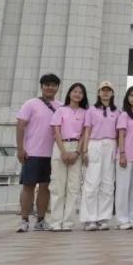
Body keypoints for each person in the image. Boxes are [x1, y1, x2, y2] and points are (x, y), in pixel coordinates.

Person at [16, 72, 61, 233]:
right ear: (41, 86)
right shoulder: (31, 104)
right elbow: (20, 126)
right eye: (47, 84)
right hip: (32, 153)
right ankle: (24, 220)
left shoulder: (61, 106)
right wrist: (20, 148)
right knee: (28, 186)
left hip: (52, 154)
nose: (50, 87)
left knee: (45, 187)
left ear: (57, 88)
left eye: (53, 85)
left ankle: (41, 220)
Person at [47, 82, 88, 231]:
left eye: (80, 92)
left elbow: (85, 133)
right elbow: (56, 132)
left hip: (77, 147)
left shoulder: (85, 112)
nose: (77, 94)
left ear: (83, 96)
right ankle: (55, 222)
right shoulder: (60, 110)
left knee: (73, 187)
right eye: (74, 91)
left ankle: (68, 222)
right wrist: (63, 151)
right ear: (69, 93)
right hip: (61, 146)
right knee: (58, 186)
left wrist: (78, 152)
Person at [80, 81, 119, 231]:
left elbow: (119, 133)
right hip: (94, 144)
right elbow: (87, 130)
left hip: (111, 145)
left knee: (107, 184)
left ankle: (103, 218)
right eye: (103, 90)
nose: (106, 93)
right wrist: (84, 150)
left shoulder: (117, 112)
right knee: (91, 182)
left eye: (108, 90)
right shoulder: (91, 110)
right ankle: (90, 219)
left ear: (112, 93)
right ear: (98, 92)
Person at [115, 86, 133, 229]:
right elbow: (121, 135)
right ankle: (122, 220)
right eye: (131, 95)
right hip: (125, 155)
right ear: (127, 97)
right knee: (122, 188)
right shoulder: (124, 114)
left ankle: (132, 217)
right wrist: (122, 153)